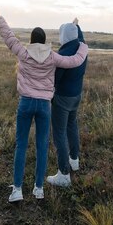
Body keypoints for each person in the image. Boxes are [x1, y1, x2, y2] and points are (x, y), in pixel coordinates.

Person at [0, 7, 88, 202]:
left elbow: (8, 37)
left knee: (21, 145)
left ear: (32, 40)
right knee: (42, 146)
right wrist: (83, 44)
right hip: (44, 106)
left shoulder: (23, 53)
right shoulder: (53, 57)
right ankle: (38, 189)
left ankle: (17, 190)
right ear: (44, 41)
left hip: (25, 104)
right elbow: (75, 60)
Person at [47, 18, 87, 187]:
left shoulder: (63, 55)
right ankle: (74, 160)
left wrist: (48, 94)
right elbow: (81, 37)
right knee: (72, 126)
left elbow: (55, 80)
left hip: (62, 98)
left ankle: (64, 174)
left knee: (59, 133)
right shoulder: (82, 49)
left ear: (63, 36)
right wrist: (76, 25)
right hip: (76, 96)